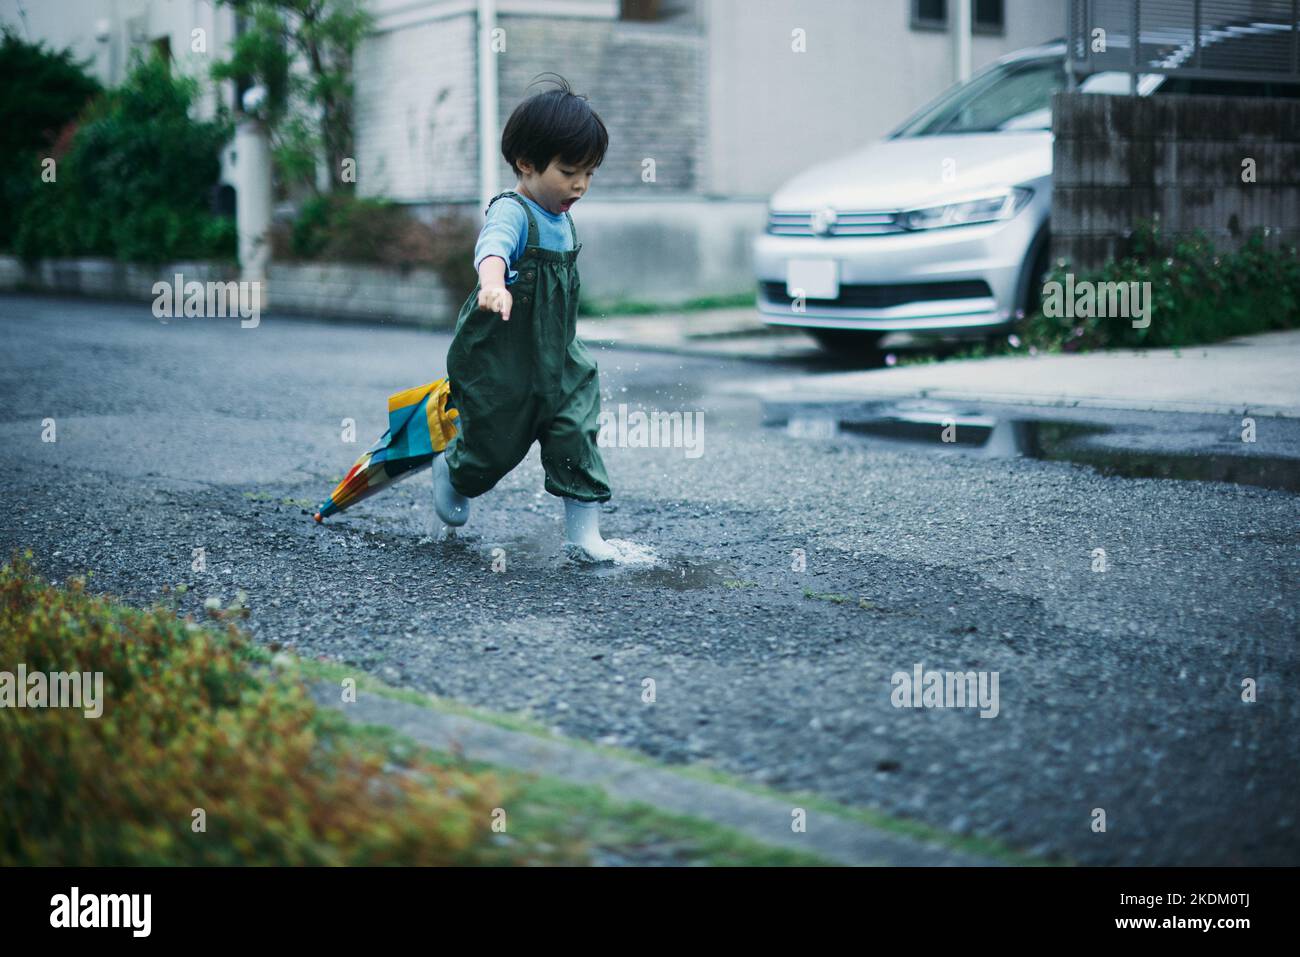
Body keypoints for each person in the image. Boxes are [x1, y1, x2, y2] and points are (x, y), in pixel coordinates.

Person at [431, 74, 619, 562]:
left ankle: (584, 535)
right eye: (570, 170)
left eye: (590, 173)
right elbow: (492, 248)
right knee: (493, 445)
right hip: (504, 356)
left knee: (575, 429)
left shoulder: (562, 215)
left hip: (558, 353)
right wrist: (493, 284)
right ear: (526, 163)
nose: (580, 184)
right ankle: (454, 471)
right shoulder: (513, 211)